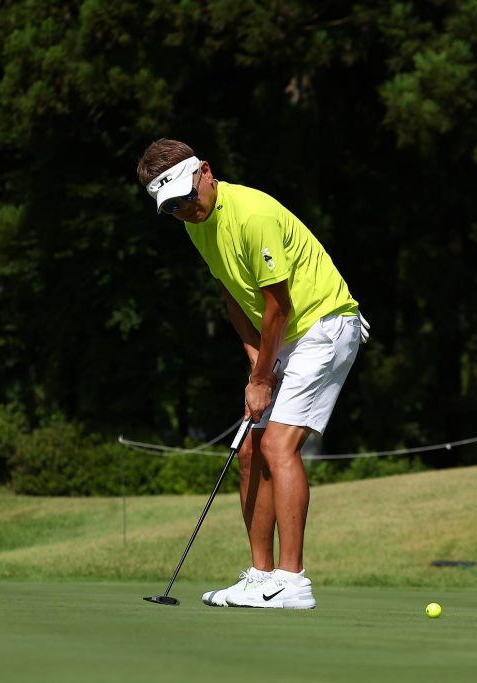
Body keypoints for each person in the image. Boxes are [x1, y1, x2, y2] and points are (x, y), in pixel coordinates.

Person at [136, 138, 366, 609]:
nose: (185, 210)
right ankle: (261, 577)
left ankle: (293, 580)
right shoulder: (196, 226)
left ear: (205, 171)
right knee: (249, 452)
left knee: (278, 444)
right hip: (283, 338)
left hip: (324, 324)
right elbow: (232, 296)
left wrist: (263, 379)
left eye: (187, 197)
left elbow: (278, 304)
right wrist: (257, 365)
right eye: (172, 207)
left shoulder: (252, 214)